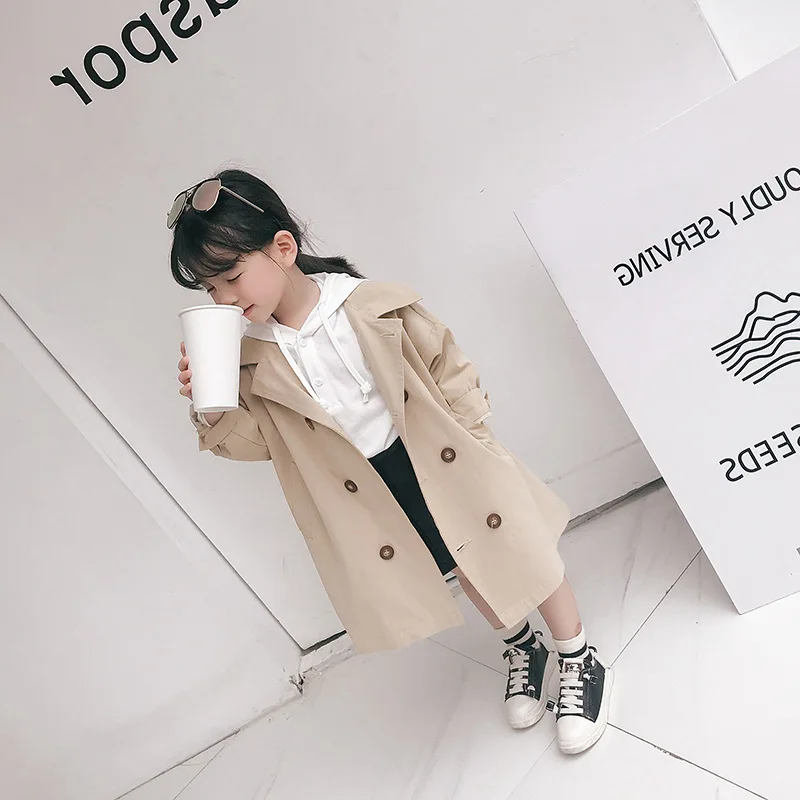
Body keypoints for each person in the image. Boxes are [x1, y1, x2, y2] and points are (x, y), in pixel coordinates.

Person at [169, 168, 613, 754]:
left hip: (442, 458)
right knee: (460, 565)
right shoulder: (251, 359)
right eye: (210, 289)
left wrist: (475, 434)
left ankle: (578, 655)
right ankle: (522, 645)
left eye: (231, 276)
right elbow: (257, 444)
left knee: (519, 550)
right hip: (369, 486)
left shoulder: (370, 304)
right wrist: (212, 406)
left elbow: (446, 362)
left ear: (283, 248)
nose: (225, 298)